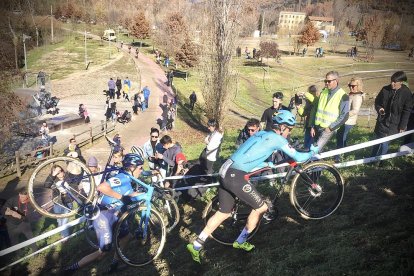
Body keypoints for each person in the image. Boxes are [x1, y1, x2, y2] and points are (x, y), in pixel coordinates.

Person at [187, 110, 318, 263]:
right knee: (261, 208)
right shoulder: (277, 139)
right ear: (282, 127)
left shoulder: (260, 134)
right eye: (289, 129)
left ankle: (196, 244)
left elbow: (246, 155)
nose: (289, 133)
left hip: (225, 169)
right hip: (235, 175)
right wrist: (312, 151)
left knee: (223, 212)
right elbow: (299, 157)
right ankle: (241, 241)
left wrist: (267, 164)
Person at [63, 153, 144, 274]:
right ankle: (71, 269)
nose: (142, 170)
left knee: (126, 237)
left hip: (116, 215)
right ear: (132, 168)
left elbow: (130, 195)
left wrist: (147, 194)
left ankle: (114, 265)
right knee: (103, 252)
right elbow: (101, 187)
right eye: (140, 167)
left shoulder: (128, 178)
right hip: (104, 216)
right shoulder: (122, 177)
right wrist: (121, 197)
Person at [371, 71, 413, 157]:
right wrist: (379, 109)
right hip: (382, 121)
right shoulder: (385, 89)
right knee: (377, 141)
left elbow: (407, 111)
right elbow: (377, 102)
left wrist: (402, 125)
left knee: (385, 143)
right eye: (391, 81)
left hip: (394, 124)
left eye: (395, 82)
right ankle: (371, 158)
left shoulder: (407, 93)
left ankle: (380, 161)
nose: (392, 83)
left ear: (401, 82)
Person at [310, 71, 349, 152]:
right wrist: (313, 126)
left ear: (336, 81)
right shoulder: (323, 92)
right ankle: (317, 164)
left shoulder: (343, 95)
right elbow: (317, 110)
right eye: (325, 81)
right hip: (317, 127)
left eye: (329, 81)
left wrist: (330, 128)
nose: (326, 83)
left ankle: (315, 164)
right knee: (315, 149)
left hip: (328, 129)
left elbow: (344, 116)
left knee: (315, 150)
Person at [335, 78, 365, 162]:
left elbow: (355, 110)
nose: (351, 87)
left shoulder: (357, 96)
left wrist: (344, 115)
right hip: (345, 119)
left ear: (358, 86)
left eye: (353, 86)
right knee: (341, 137)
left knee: (341, 137)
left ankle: (338, 157)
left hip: (348, 121)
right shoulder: (352, 94)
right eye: (349, 85)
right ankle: (342, 154)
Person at [296, 85, 320, 150]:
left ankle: (312, 158)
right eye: (310, 91)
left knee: (311, 144)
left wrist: (305, 94)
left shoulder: (318, 100)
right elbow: (303, 114)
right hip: (308, 125)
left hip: (315, 126)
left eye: (313, 91)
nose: (311, 93)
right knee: (306, 144)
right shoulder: (309, 102)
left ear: (317, 92)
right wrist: (299, 108)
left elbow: (315, 100)